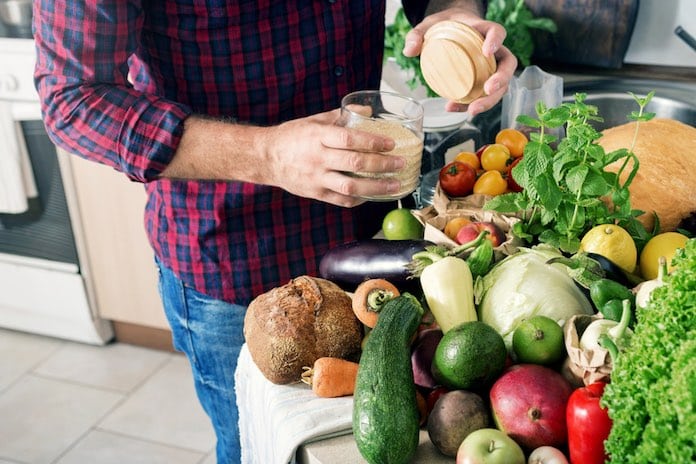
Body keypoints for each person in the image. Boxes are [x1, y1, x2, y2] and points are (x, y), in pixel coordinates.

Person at [33, 1, 516, 462]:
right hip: (238, 264)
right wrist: (268, 153)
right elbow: (72, 100)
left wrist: (453, 18)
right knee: (258, 450)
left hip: (372, 246)